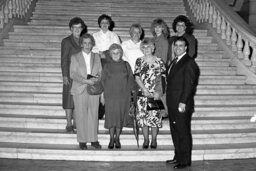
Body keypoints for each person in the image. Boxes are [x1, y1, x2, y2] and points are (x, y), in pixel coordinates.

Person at [166, 37, 199, 169]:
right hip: (172, 102)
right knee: (175, 131)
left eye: (181, 46)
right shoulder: (175, 61)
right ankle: (177, 157)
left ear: (186, 48)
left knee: (183, 132)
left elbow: (189, 86)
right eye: (176, 45)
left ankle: (184, 161)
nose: (178, 48)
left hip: (181, 104)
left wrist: (183, 102)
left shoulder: (189, 62)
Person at [70, 33, 102, 150]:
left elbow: (100, 72)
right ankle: (82, 141)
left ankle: (93, 139)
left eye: (89, 43)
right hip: (80, 88)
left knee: (94, 114)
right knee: (81, 115)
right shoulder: (75, 57)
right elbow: (72, 74)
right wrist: (85, 81)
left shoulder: (96, 56)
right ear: (81, 44)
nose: (87, 45)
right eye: (85, 43)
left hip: (93, 88)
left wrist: (96, 80)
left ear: (92, 44)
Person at [101, 43, 136, 149]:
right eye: (113, 53)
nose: (116, 55)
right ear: (110, 54)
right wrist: (102, 95)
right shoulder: (106, 65)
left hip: (123, 96)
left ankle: (117, 138)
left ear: (121, 53)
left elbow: (131, 80)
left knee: (120, 117)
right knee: (111, 118)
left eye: (118, 53)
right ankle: (111, 138)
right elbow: (102, 81)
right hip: (110, 95)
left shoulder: (126, 64)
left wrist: (131, 96)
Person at [134, 38, 166, 149]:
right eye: (144, 47)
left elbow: (163, 78)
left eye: (148, 47)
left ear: (153, 48)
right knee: (143, 119)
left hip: (155, 95)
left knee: (154, 119)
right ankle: (146, 139)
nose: (146, 49)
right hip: (143, 95)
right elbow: (137, 77)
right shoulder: (139, 60)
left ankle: (154, 139)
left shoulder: (159, 61)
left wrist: (158, 92)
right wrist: (143, 89)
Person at [61, 17, 87, 133]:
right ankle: (68, 124)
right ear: (71, 29)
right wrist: (65, 75)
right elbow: (64, 60)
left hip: (81, 76)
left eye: (79, 27)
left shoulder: (85, 40)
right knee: (68, 99)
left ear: (82, 28)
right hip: (70, 75)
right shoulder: (66, 41)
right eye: (74, 27)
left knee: (79, 99)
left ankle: (77, 123)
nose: (77, 29)